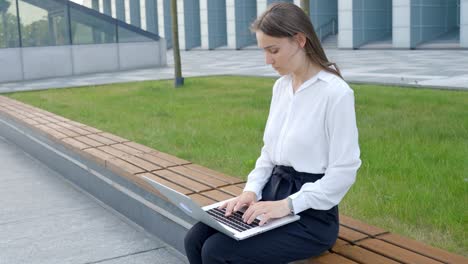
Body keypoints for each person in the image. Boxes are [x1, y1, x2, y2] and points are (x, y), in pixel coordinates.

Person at [184, 3, 361, 263]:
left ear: (300, 40)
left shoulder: (335, 94)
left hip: (310, 217)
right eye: (264, 51)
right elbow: (268, 154)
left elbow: (344, 171)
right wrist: (250, 192)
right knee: (195, 239)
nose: (268, 60)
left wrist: (287, 205)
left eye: (273, 50)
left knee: (217, 252)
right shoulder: (281, 87)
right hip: (269, 197)